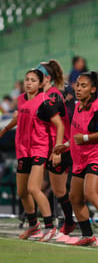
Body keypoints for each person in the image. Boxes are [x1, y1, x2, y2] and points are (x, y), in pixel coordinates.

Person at [54, 71, 98, 246]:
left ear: (93, 90)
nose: (78, 88)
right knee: (75, 197)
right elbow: (78, 134)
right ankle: (87, 235)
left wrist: (85, 139)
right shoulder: (78, 107)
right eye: (77, 85)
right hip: (80, 159)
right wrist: (68, 145)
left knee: (90, 193)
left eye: (83, 86)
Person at [0, 69, 65, 242]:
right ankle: (34, 225)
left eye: (33, 80)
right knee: (22, 191)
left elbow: (59, 124)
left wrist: (57, 149)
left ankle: (50, 227)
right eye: (27, 79)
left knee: (33, 188)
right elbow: (18, 116)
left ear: (41, 83)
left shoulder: (44, 102)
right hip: (23, 149)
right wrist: (4, 129)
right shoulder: (21, 99)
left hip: (40, 148)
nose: (29, 82)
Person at [37, 60, 75, 235]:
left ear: (46, 77)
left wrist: (56, 149)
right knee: (62, 190)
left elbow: (59, 122)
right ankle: (68, 222)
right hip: (69, 143)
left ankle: (67, 222)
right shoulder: (65, 90)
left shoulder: (52, 94)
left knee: (60, 190)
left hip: (58, 146)